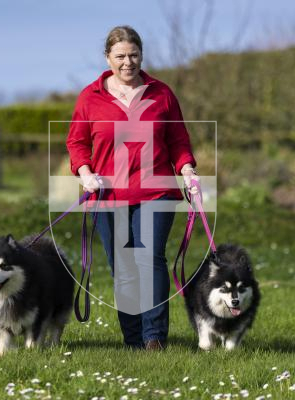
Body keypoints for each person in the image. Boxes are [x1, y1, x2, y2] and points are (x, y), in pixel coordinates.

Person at [66, 25, 199, 351]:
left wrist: (188, 170)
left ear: (142, 55)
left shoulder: (161, 93)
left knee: (150, 260)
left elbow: (178, 139)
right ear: (108, 57)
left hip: (156, 191)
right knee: (122, 267)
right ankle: (133, 339)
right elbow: (77, 142)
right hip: (108, 195)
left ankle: (154, 337)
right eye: (120, 56)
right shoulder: (90, 97)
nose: (128, 62)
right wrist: (84, 172)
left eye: (134, 55)